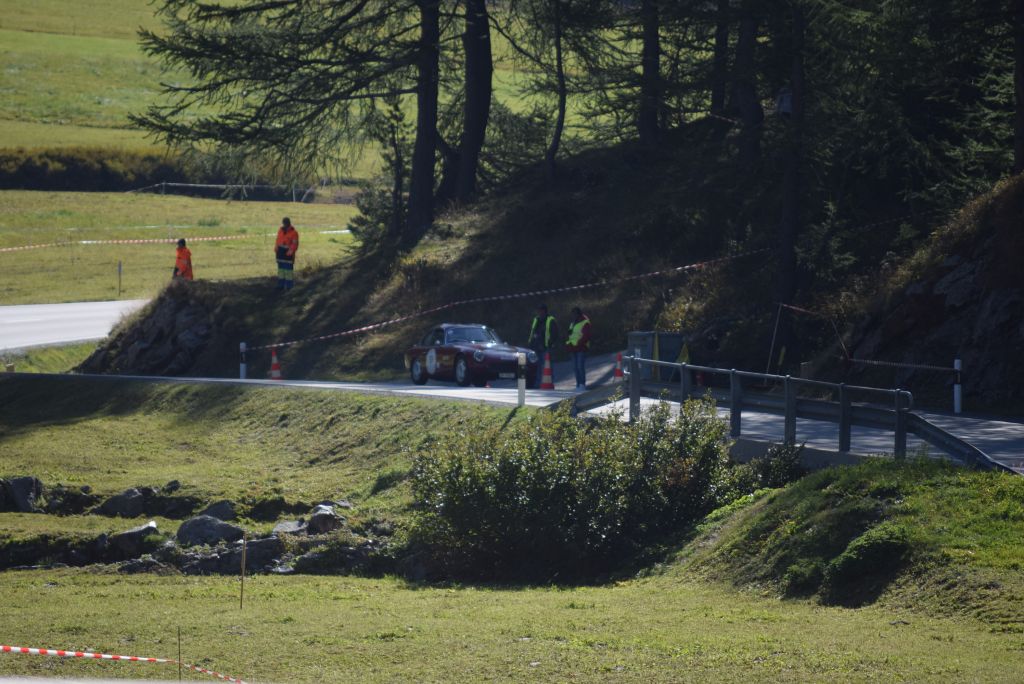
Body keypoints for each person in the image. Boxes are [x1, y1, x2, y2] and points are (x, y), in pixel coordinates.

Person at [528, 303, 559, 386]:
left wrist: (550, 343)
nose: (539, 312)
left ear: (545, 311)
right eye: (538, 311)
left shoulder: (550, 320)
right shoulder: (536, 320)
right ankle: (538, 384)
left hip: (546, 348)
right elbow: (532, 332)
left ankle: (549, 383)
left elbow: (555, 334)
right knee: (537, 367)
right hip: (536, 348)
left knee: (547, 366)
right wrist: (531, 343)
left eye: (541, 310)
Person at [565, 306, 592, 389]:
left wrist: (579, 343)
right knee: (575, 367)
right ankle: (578, 384)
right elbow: (571, 335)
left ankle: (582, 384)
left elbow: (586, 336)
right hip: (573, 347)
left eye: (574, 314)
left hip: (581, 347)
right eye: (572, 314)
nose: (573, 316)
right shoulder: (572, 323)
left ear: (578, 314)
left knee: (580, 367)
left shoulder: (585, 322)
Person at [275, 217, 299, 291]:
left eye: (286, 222)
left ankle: (289, 286)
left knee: (288, 271)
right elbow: (278, 240)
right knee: (281, 271)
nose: (285, 224)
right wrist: (276, 248)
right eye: (284, 222)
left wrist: (290, 252)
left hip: (288, 255)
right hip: (280, 254)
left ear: (289, 223)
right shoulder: (280, 230)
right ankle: (280, 285)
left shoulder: (294, 232)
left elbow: (294, 244)